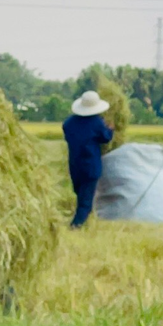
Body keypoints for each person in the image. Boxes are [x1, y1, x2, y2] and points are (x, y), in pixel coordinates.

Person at [62, 90, 114, 229]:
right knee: (86, 200)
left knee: (80, 194)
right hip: (90, 165)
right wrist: (110, 129)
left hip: (75, 164)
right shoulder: (96, 122)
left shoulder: (69, 123)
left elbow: (68, 134)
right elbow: (105, 138)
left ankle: (85, 221)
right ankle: (76, 225)